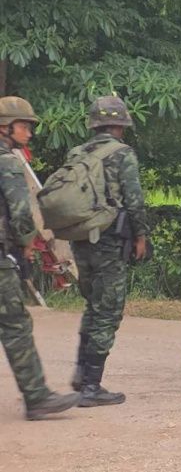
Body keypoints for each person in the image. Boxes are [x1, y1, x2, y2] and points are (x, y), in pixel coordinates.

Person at [0, 96, 80, 420]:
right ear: (5, 127)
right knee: (15, 325)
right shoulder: (7, 163)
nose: (29, 133)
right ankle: (36, 397)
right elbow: (21, 213)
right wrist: (26, 245)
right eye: (24, 126)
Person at [67, 97, 150, 406]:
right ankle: (91, 386)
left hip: (80, 239)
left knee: (93, 305)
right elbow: (134, 200)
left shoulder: (76, 153)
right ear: (120, 125)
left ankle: (81, 372)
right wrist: (141, 235)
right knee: (108, 310)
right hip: (109, 241)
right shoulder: (122, 154)